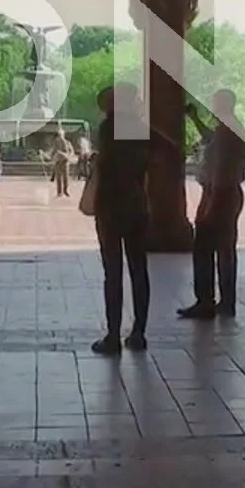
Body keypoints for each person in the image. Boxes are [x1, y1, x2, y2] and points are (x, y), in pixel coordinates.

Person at [90, 84, 156, 355]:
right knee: (139, 269)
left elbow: (106, 164)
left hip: (111, 204)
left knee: (113, 271)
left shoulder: (109, 128)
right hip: (137, 203)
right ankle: (139, 331)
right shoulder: (142, 128)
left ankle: (113, 334)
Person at [180, 89, 245, 320]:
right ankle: (224, 301)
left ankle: (206, 301)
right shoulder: (227, 128)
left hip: (220, 194)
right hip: (222, 193)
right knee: (224, 249)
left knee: (205, 248)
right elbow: (209, 138)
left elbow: (223, 169)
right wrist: (195, 118)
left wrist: (211, 203)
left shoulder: (229, 131)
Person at [50, 131, 73, 198]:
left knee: (66, 177)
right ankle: (59, 192)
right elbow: (53, 151)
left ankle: (65, 191)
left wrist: (67, 155)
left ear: (63, 135)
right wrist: (51, 157)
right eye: (59, 135)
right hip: (58, 162)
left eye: (61, 135)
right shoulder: (55, 143)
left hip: (65, 162)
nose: (60, 136)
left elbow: (71, 151)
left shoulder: (68, 143)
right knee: (58, 178)